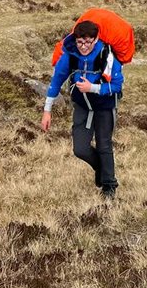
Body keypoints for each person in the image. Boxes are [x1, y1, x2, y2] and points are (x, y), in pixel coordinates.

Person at [40, 18, 123, 198]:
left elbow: (117, 86)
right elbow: (56, 82)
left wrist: (92, 88)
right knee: (80, 149)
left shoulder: (105, 55)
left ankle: (109, 186)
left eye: (88, 42)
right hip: (83, 106)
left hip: (104, 107)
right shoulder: (70, 55)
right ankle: (101, 168)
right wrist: (47, 111)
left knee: (104, 145)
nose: (83, 46)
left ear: (96, 39)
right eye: (80, 41)